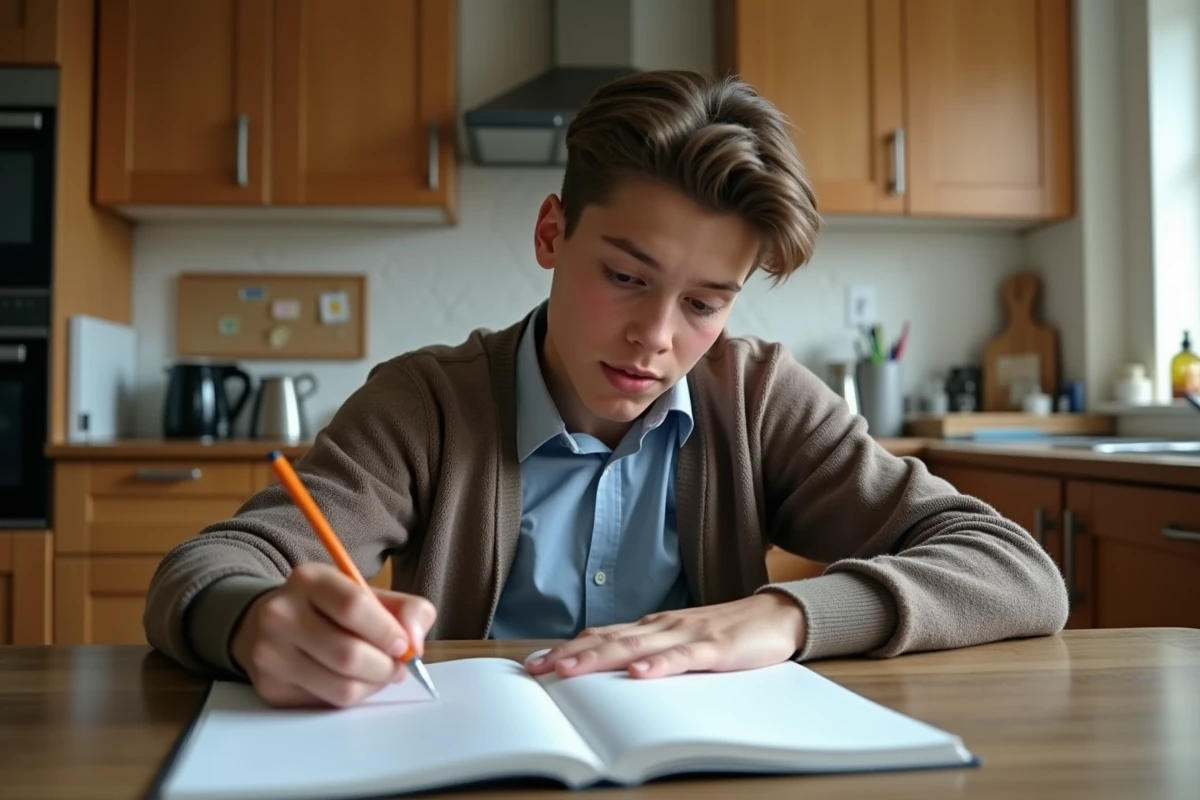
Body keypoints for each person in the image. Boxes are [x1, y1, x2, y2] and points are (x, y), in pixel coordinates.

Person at [143, 70, 1069, 709]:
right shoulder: (425, 402)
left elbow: (1016, 571)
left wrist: (787, 615)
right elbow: (205, 569)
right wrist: (257, 621)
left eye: (705, 302)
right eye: (625, 277)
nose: (657, 338)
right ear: (553, 233)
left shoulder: (758, 398)